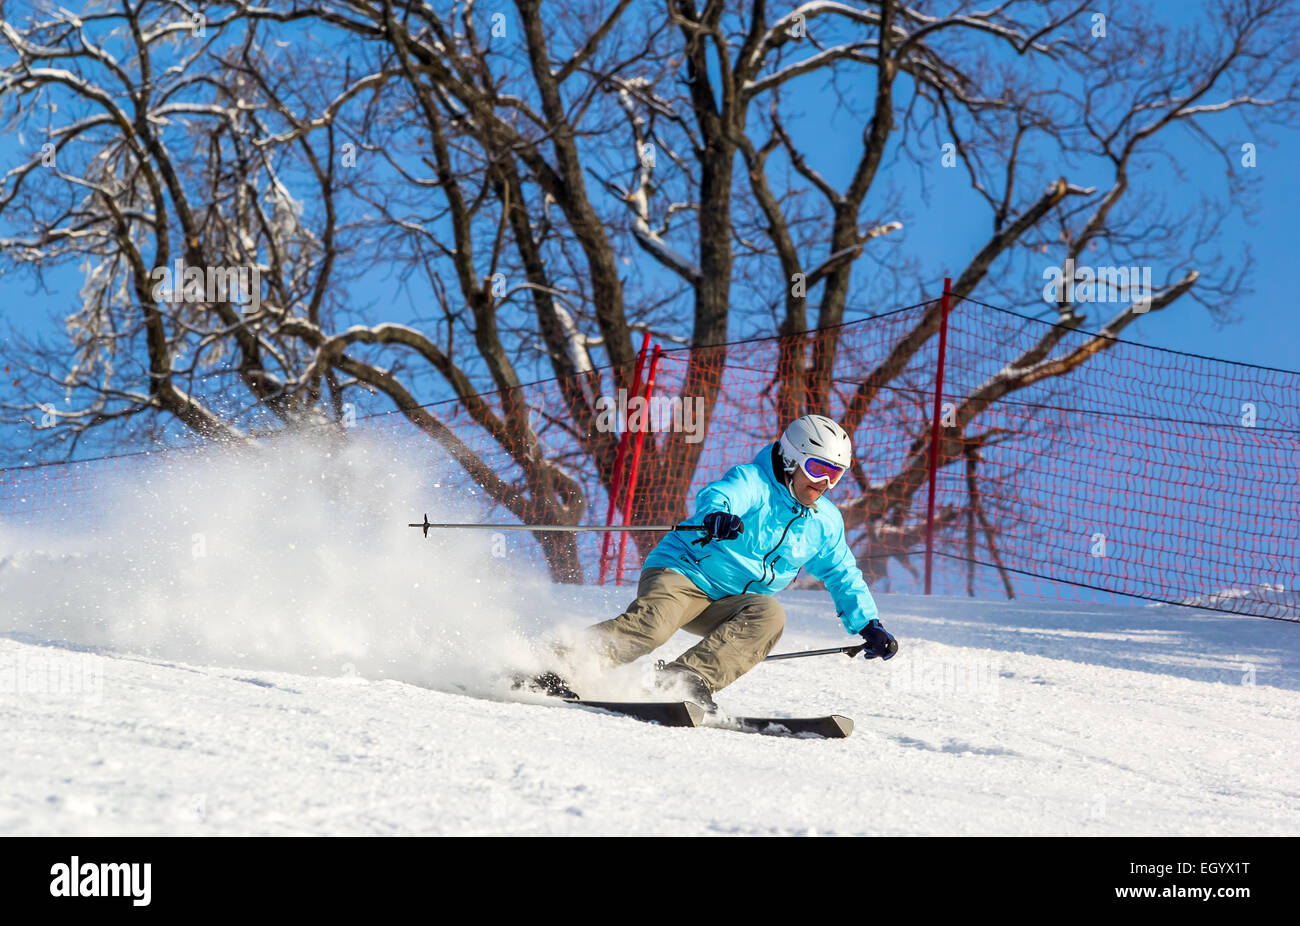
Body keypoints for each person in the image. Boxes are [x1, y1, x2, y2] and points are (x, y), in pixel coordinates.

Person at [542, 414, 897, 712]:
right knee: (655, 627)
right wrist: (718, 516)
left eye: (836, 473)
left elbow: (841, 572)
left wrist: (868, 623)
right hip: (685, 572)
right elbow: (721, 495)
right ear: (791, 459)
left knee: (770, 614)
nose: (825, 482)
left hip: (727, 603)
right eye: (818, 468)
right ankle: (558, 664)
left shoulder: (824, 521)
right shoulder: (754, 482)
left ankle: (682, 680)